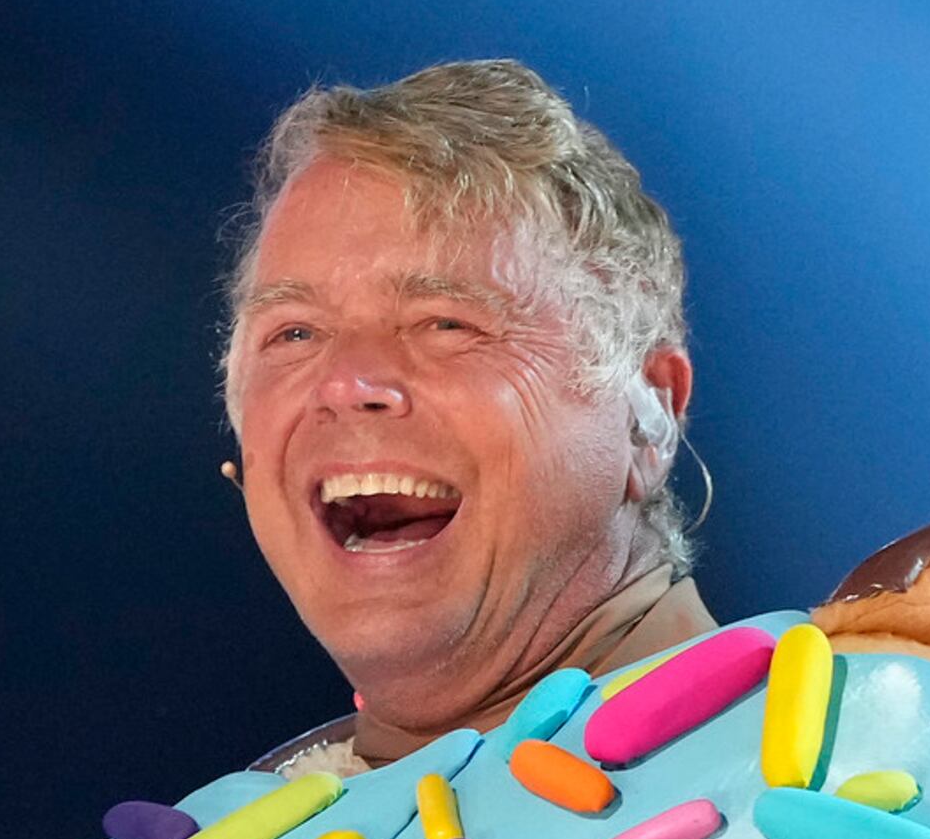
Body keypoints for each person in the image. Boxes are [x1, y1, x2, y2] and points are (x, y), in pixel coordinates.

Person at [219, 57, 712, 773]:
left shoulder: (898, 753)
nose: (346, 382)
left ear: (650, 414)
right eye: (294, 333)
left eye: (445, 323)